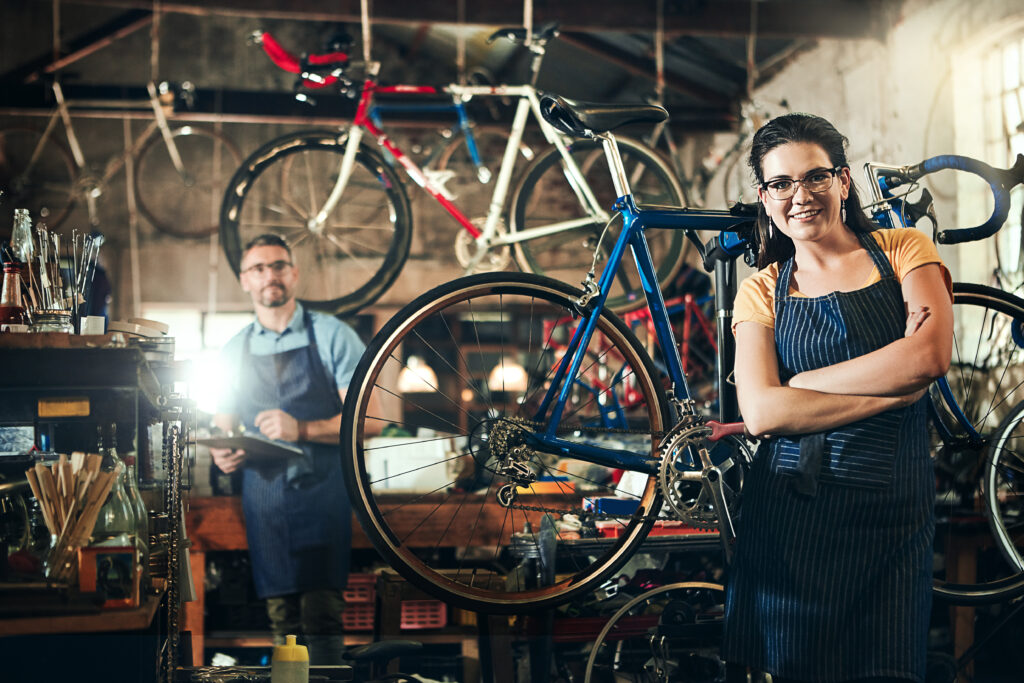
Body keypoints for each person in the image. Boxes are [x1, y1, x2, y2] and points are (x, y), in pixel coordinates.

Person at [722, 113, 953, 682]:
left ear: (843, 182)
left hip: (893, 512)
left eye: (815, 177)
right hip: (793, 519)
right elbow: (762, 412)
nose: (799, 196)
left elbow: (927, 358)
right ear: (764, 196)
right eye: (781, 184)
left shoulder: (904, 250)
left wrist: (802, 385)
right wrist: (892, 395)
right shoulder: (759, 290)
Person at [210, 233, 368, 665]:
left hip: (325, 490)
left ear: (294, 273)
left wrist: (301, 428)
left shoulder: (334, 335)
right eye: (258, 268)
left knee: (323, 616)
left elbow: (367, 421)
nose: (270, 276)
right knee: (280, 617)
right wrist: (222, 453)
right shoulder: (234, 349)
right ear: (244, 281)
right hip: (265, 496)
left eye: (278, 265)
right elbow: (223, 427)